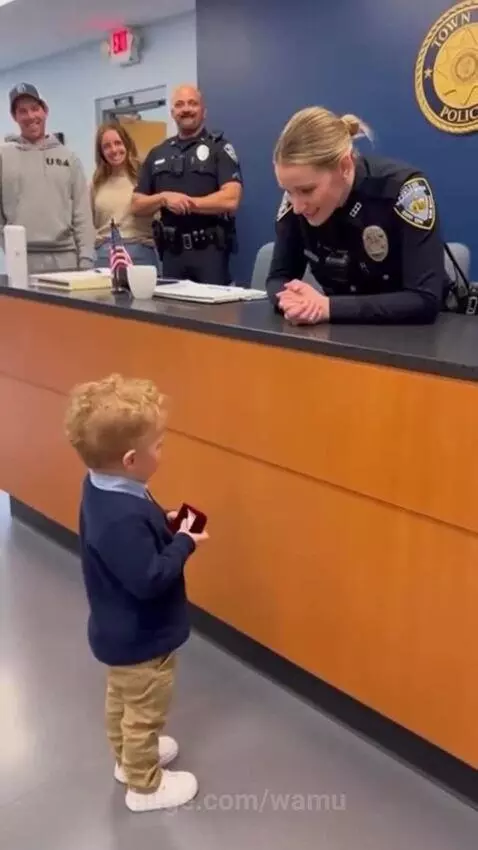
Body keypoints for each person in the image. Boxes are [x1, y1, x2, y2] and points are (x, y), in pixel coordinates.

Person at [64, 374, 209, 813]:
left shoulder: (103, 487)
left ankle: (128, 761)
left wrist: (161, 523)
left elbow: (131, 538)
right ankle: (145, 786)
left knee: (122, 699)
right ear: (131, 459)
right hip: (143, 637)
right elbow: (148, 579)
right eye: (159, 444)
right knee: (144, 710)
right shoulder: (121, 516)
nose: (163, 450)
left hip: (115, 630)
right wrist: (183, 543)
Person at [266, 106, 448, 324]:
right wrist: (292, 301)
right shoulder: (296, 200)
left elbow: (424, 299)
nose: (296, 206)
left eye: (307, 190)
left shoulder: (404, 190)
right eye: (287, 191)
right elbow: (278, 278)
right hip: (337, 334)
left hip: (411, 338)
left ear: (344, 165)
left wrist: (328, 307)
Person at [131, 84, 243, 285]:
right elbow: (137, 205)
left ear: (204, 111)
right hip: (172, 255)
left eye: (193, 103)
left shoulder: (219, 147)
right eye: (180, 104)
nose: (186, 109)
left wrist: (188, 203)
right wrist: (164, 198)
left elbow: (231, 198)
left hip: (210, 253)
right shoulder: (158, 153)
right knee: (172, 313)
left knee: (212, 315)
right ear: (173, 112)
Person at [0, 83, 94, 274]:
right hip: (21, 259)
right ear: (14, 117)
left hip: (67, 258)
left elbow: (82, 213)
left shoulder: (69, 158)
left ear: (45, 111)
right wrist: (9, 247)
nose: (30, 116)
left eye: (35, 109)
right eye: (22, 111)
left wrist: (86, 259)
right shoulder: (3, 157)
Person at [91, 122, 159, 268]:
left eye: (118, 143)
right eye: (107, 146)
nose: (114, 150)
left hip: (141, 252)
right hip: (104, 254)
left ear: (127, 144)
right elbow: (88, 223)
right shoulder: (95, 183)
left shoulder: (144, 177)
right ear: (101, 152)